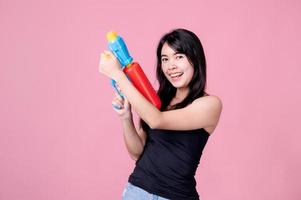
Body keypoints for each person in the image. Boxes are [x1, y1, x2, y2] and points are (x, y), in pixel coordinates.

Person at [99, 28, 222, 200]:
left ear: (195, 59)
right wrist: (126, 117)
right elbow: (137, 153)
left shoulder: (209, 105)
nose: (171, 66)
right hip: (136, 191)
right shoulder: (157, 100)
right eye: (165, 59)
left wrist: (118, 74)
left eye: (179, 57)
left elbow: (157, 120)